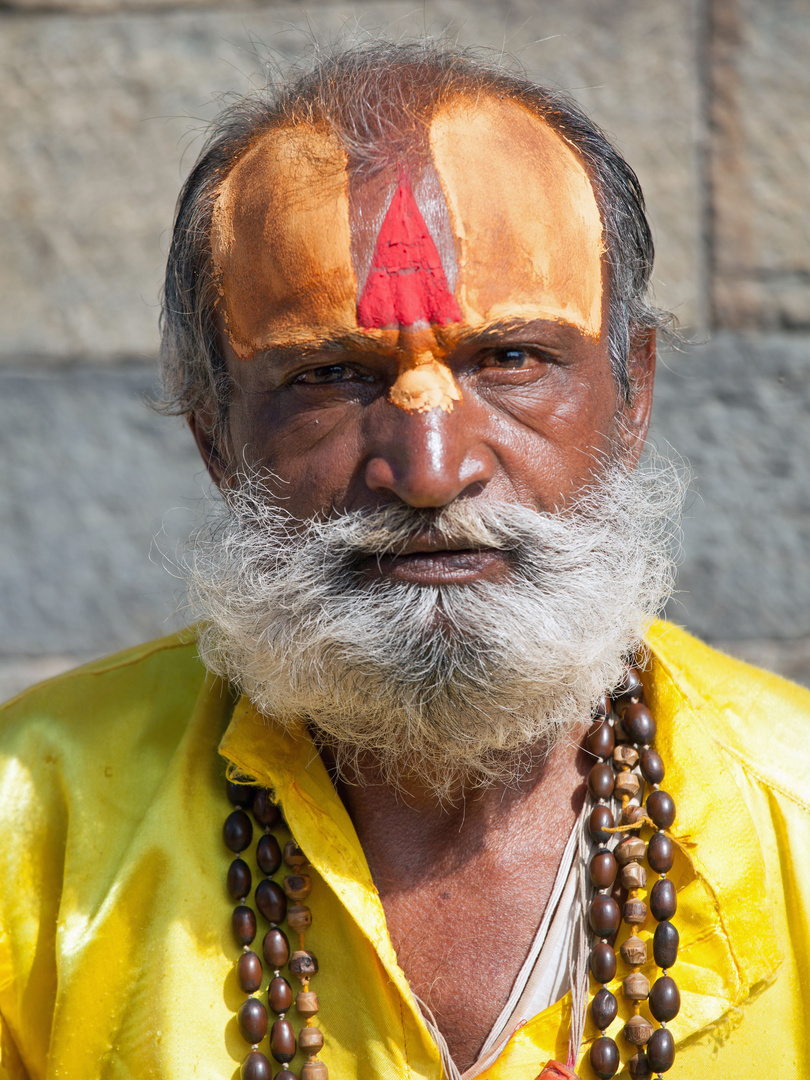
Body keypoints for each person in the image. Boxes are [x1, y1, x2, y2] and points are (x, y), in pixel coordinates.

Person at [0, 41, 808, 1080]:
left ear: (633, 397)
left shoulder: (788, 814)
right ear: (214, 436)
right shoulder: (32, 826)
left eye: (512, 359)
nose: (429, 470)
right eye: (333, 375)